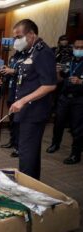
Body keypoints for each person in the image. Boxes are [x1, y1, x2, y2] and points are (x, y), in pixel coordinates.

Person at [9, 19, 57, 180]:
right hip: (27, 111)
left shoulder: (43, 52)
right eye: (15, 37)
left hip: (34, 112)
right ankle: (33, 184)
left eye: (19, 36)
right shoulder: (30, 52)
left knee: (27, 152)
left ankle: (26, 188)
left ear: (31, 34)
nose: (16, 41)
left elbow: (49, 85)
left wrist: (22, 101)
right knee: (30, 151)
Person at [46, 35, 83, 164]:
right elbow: (60, 80)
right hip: (64, 97)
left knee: (77, 128)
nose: (78, 49)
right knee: (58, 123)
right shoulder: (68, 60)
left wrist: (80, 82)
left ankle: (75, 154)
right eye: (76, 47)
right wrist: (57, 72)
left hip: (79, 100)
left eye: (81, 48)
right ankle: (55, 144)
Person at [0, 50, 26, 157]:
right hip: (11, 92)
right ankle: (12, 141)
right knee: (12, 121)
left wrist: (13, 71)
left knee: (18, 122)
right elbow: (9, 74)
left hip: (20, 93)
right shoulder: (13, 57)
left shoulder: (27, 57)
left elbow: (26, 74)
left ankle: (18, 147)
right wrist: (4, 75)